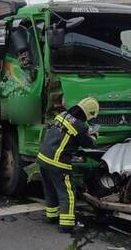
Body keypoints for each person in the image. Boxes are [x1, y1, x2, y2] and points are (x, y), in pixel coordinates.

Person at [37, 97, 99, 233]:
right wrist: (94, 135)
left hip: (43, 158)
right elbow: (88, 143)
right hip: (57, 162)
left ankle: (52, 216)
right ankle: (67, 224)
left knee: (50, 188)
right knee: (67, 192)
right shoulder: (80, 126)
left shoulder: (62, 115)